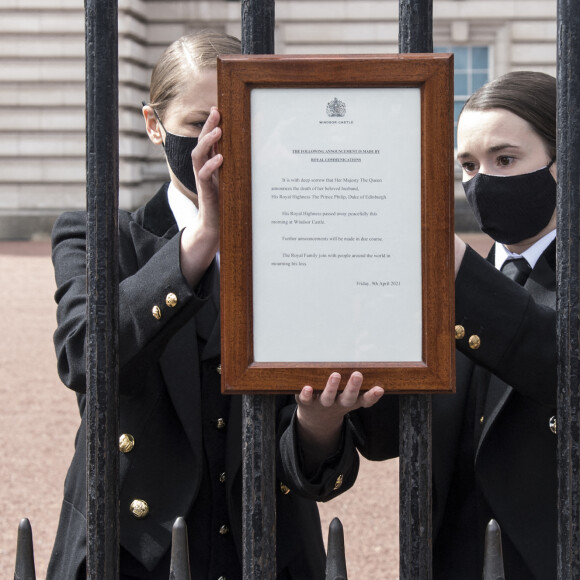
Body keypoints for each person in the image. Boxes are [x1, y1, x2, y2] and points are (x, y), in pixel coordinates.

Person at [47, 29, 381, 580]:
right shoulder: (97, 236)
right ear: (154, 126)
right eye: (197, 124)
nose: (216, 142)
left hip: (265, 551)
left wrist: (317, 424)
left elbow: (326, 461)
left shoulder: (310, 237)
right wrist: (202, 238)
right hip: (129, 549)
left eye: (236, 122)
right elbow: (85, 358)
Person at [282, 71, 559, 579]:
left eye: (505, 159)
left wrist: (447, 258)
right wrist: (324, 421)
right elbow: (386, 434)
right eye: (468, 165)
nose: (481, 181)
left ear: (561, 165)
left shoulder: (455, 276)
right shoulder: (427, 285)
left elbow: (558, 363)